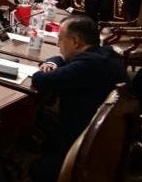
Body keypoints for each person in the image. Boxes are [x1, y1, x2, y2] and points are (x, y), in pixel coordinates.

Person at [29, 16, 127, 182]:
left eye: (60, 39)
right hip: (110, 139)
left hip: (86, 150)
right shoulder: (104, 53)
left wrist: (52, 65)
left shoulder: (86, 66)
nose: (57, 45)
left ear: (75, 42)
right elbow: (61, 59)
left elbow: (40, 80)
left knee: (36, 170)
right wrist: (55, 61)